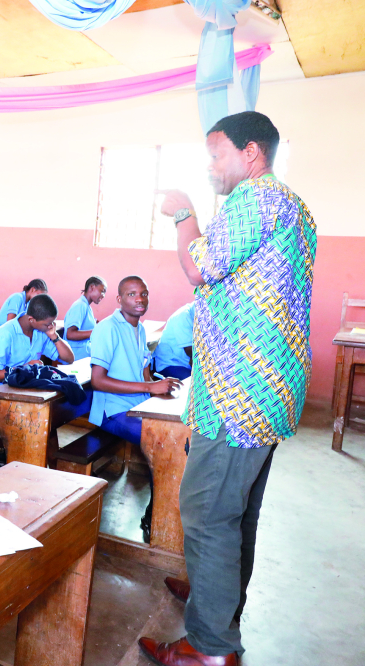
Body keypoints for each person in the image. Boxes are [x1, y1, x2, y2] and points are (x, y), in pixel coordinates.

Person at [139, 111, 315, 666]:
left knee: (209, 511)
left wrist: (183, 211)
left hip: (241, 389)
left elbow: (200, 266)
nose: (212, 166)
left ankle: (211, 647)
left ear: (251, 154)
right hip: (269, 388)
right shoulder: (294, 206)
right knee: (238, 509)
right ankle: (219, 599)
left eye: (217, 154)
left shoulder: (256, 200)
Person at [89, 276, 180, 543]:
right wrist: (150, 388)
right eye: (131, 294)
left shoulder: (139, 329)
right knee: (164, 444)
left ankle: (162, 509)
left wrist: (155, 384)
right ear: (119, 299)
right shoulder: (108, 328)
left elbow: (143, 370)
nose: (139, 299)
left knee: (176, 434)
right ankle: (156, 515)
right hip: (113, 411)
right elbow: (98, 380)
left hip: (136, 405)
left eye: (143, 294)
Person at [0, 294, 76, 469]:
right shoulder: (4, 334)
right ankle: (23, 467)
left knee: (48, 417)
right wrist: (24, 368)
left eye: (51, 324)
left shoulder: (40, 332)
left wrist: (53, 335)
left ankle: (52, 467)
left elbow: (68, 358)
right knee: (34, 418)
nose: (50, 327)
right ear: (31, 319)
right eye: (47, 324)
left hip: (23, 392)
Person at [63, 276, 107, 361]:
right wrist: (96, 331)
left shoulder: (86, 306)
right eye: (102, 291)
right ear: (92, 287)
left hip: (83, 356)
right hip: (76, 359)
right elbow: (70, 334)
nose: (103, 295)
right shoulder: (80, 305)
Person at [153, 302, 195, 380]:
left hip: (187, 364)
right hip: (172, 364)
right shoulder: (183, 316)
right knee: (195, 384)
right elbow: (191, 352)